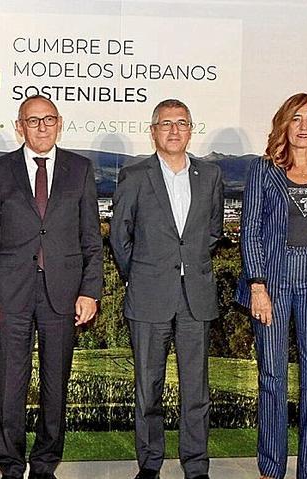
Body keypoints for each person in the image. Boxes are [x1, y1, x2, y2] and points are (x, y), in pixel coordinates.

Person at [0, 95, 102, 479]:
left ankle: (46, 463)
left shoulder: (80, 169)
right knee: (11, 385)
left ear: (59, 123)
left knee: (55, 384)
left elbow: (91, 238)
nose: (42, 127)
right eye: (33, 121)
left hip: (63, 292)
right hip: (10, 293)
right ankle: (10, 464)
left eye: (49, 119)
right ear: (20, 127)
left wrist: (89, 290)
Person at [235, 93, 307, 479]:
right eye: (297, 117)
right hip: (272, 277)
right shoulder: (262, 169)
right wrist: (257, 285)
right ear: (284, 122)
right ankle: (271, 467)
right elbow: (249, 231)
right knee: (272, 374)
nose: (304, 126)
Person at [110, 99, 223, 479]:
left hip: (196, 297)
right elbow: (119, 237)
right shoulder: (135, 174)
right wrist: (141, 274)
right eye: (166, 124)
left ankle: (196, 465)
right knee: (148, 389)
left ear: (191, 129)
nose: (174, 131)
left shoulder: (210, 175)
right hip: (147, 295)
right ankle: (150, 463)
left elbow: (212, 232)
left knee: (197, 391)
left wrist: (186, 266)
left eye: (181, 123)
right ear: (153, 131)